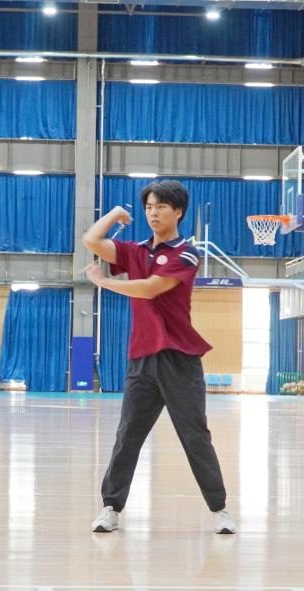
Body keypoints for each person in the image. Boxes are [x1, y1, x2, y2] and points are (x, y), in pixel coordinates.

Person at [82, 180, 235, 534]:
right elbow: (92, 240)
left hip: (179, 359)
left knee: (195, 436)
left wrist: (104, 283)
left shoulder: (186, 253)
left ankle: (219, 510)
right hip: (142, 358)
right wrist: (114, 214)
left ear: (177, 212)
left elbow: (151, 288)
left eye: (161, 207)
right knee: (128, 435)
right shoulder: (135, 251)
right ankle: (110, 508)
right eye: (149, 207)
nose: (153, 213)